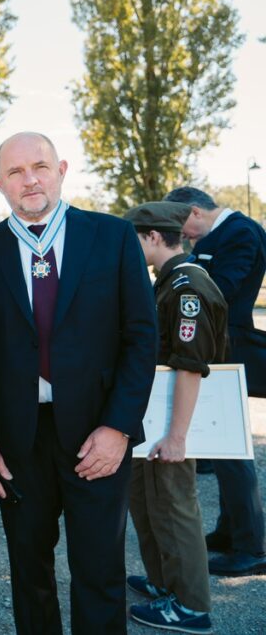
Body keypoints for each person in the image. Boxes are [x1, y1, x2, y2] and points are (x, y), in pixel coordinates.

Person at [0, 132, 157, 634]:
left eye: (40, 166)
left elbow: (141, 338)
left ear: (62, 168)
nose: (30, 179)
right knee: (30, 572)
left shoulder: (111, 237)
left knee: (99, 570)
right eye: (15, 172)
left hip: (97, 435)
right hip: (16, 442)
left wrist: (119, 427)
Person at [120, 201, 224, 634]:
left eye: (134, 239)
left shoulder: (187, 286)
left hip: (175, 423)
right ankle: (166, 582)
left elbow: (189, 364)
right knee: (150, 505)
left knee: (176, 506)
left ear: (153, 238)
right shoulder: (167, 281)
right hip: (156, 421)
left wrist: (177, 436)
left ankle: (191, 604)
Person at [163, 186, 266, 577]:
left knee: (232, 453)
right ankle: (231, 531)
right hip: (214, 349)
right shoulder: (216, 236)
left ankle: (251, 547)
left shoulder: (241, 232)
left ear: (195, 211)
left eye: (182, 226)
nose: (184, 237)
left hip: (229, 349)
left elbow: (218, 292)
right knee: (222, 451)